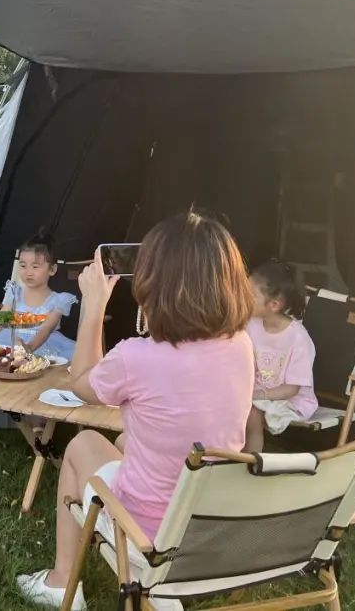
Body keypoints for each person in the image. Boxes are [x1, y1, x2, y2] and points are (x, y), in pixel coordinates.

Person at [16, 212, 255, 610]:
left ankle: (60, 582)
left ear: (154, 282)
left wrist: (94, 306)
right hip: (210, 519)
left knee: (83, 444)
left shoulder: (137, 357)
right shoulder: (241, 344)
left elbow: (82, 384)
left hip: (152, 532)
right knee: (126, 440)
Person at [0, 234, 77, 448]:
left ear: (52, 269)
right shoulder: (14, 290)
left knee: (39, 374)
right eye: (23, 265)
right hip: (10, 338)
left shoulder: (59, 299)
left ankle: (38, 421)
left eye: (35, 266)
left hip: (42, 343)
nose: (28, 272)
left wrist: (30, 347)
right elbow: (3, 318)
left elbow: (47, 328)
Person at [243, 261, 317, 453]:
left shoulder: (298, 339)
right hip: (257, 392)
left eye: (250, 295)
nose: (242, 297)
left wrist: (258, 395)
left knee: (252, 413)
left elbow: (292, 388)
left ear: (274, 305)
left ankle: (250, 461)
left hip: (290, 400)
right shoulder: (251, 324)